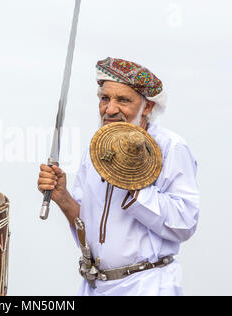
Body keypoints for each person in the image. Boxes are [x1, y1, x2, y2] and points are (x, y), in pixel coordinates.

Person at [37, 57, 199, 296]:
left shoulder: (170, 147)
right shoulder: (94, 150)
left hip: (148, 285)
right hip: (95, 285)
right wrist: (63, 197)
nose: (110, 109)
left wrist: (133, 179)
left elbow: (185, 223)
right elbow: (88, 225)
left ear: (148, 107)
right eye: (105, 99)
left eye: (123, 100)